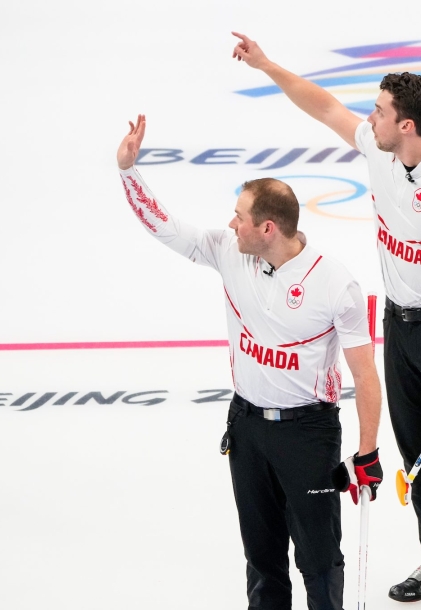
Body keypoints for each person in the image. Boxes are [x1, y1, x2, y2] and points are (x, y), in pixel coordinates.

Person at [230, 32, 421, 610]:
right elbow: (323, 105)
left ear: (407, 125)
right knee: (414, 448)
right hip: (399, 326)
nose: (370, 118)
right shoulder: (380, 152)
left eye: (380, 111)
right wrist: (268, 63)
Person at [115, 115, 383, 610]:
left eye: (239, 216)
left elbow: (365, 374)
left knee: (319, 559)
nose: (230, 224)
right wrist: (130, 171)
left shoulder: (333, 284)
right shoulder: (228, 252)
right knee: (262, 558)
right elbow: (166, 228)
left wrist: (367, 453)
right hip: (248, 428)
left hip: (308, 435)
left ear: (268, 227)